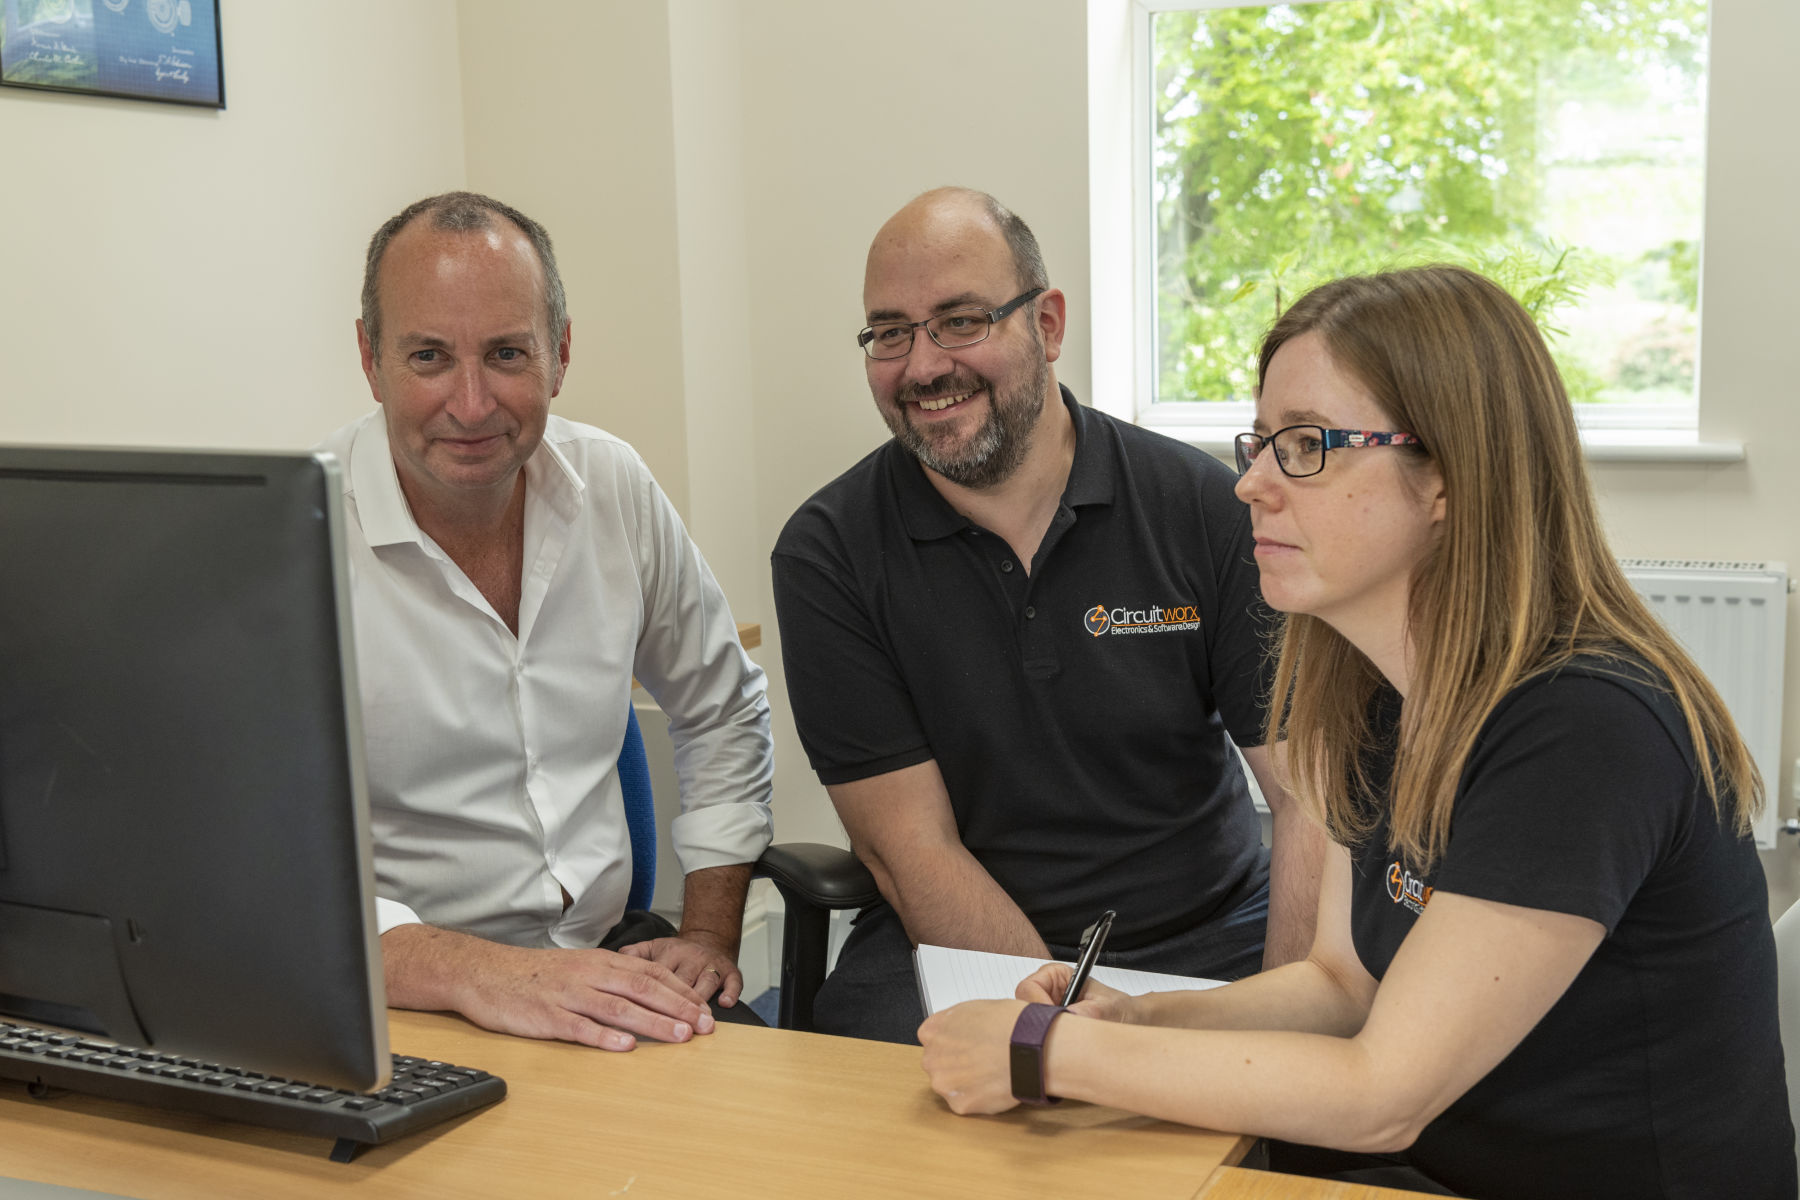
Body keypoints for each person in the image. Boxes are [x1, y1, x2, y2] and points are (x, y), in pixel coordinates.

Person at [917, 265, 1795, 1200]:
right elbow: (1344, 985)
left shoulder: (1585, 726)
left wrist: (1044, 1056)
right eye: (1259, 442)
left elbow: (1382, 1094)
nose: (1250, 483)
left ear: (1450, 477)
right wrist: (1136, 1023)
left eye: (1307, 445)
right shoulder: (1369, 686)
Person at [772, 187, 1324, 1045]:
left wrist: (1282, 1027)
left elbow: (1306, 795)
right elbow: (911, 850)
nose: (922, 366)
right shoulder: (828, 553)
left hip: (1211, 935)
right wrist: (1060, 1032)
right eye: (890, 332)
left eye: (961, 321)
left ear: (1049, 325)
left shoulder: (1204, 507)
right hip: (964, 945)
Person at [320, 191, 774, 1052]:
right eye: (427, 356)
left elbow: (721, 705)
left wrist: (709, 933)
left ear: (560, 354)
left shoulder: (612, 484)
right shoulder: (296, 532)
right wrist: (490, 977)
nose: (471, 402)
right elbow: (268, 868)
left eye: (506, 353)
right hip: (405, 1004)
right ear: (370, 358)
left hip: (608, 966)